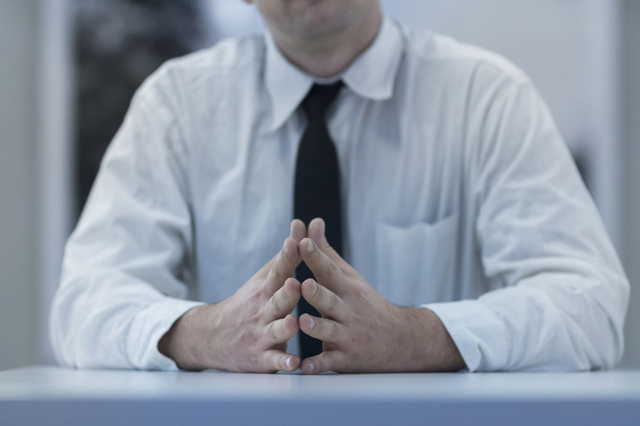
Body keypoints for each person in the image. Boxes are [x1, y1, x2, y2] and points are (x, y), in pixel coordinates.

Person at [50, 0, 629, 374]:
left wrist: (420, 337)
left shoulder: (488, 99)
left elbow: (591, 307)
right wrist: (203, 335)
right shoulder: (174, 106)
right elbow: (82, 306)